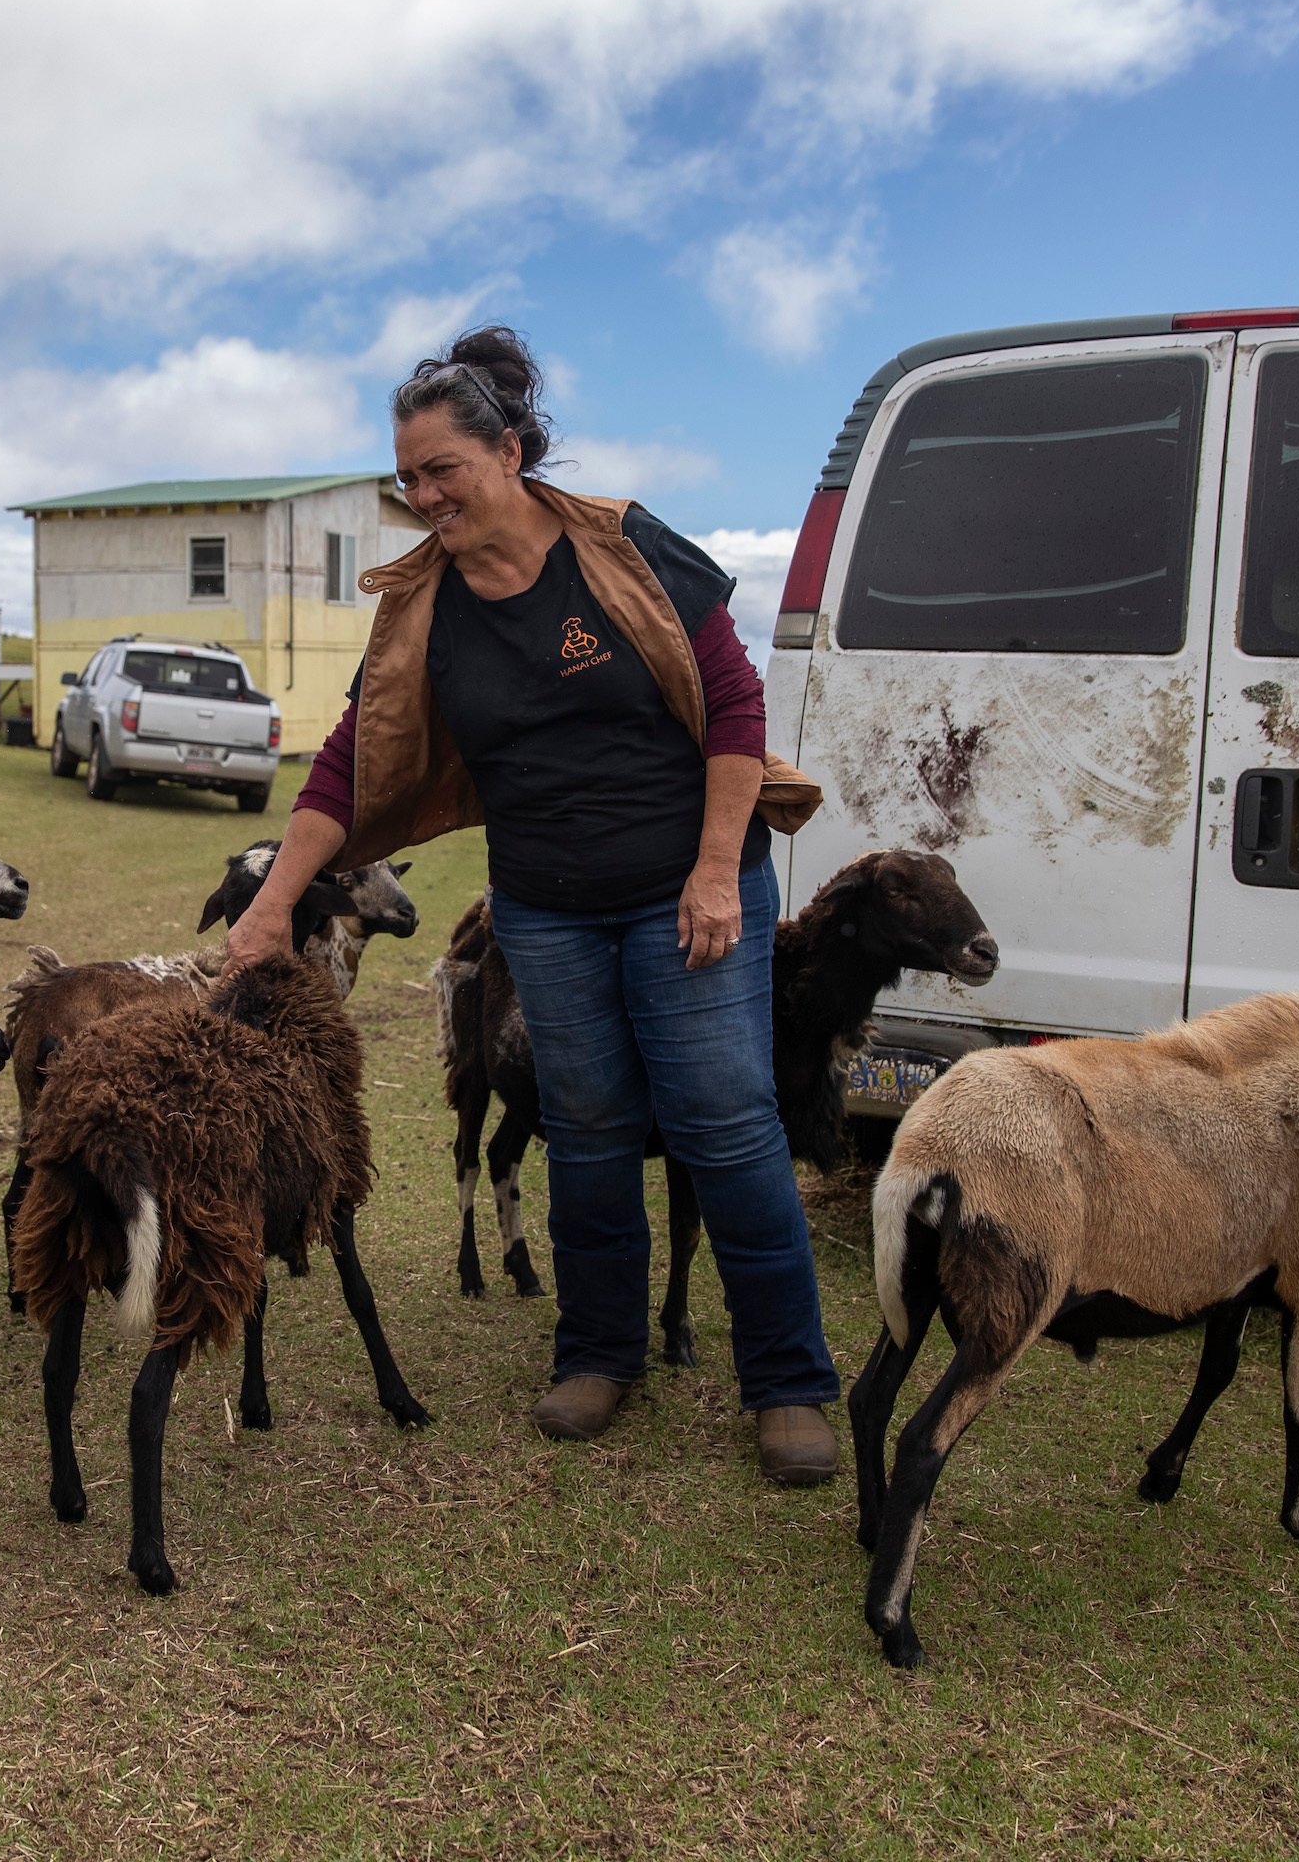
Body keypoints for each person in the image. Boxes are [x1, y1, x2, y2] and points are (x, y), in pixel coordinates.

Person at [222, 325, 841, 1485]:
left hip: (685, 890)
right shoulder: (422, 610)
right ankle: (599, 1352)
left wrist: (717, 871)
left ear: (508, 452)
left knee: (724, 1125)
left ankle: (791, 1379)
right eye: (406, 477)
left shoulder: (623, 547)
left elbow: (735, 706)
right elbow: (352, 763)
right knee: (590, 1128)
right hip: (546, 911)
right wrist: (272, 906)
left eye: (440, 469)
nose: (422, 495)